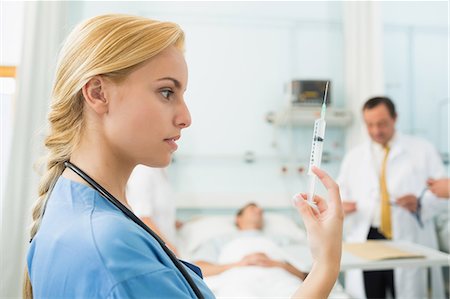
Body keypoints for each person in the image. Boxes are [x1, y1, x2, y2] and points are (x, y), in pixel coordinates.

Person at [24, 14, 344, 299]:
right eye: (167, 92)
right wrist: (326, 265)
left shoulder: (71, 209)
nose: (186, 117)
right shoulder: (113, 250)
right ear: (97, 93)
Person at [337, 96, 446, 299]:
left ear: (394, 118)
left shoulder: (422, 150)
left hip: (407, 235)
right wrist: (341, 207)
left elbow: (442, 193)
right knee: (371, 293)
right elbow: (341, 194)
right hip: (367, 237)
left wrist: (420, 203)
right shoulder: (354, 157)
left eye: (382, 124)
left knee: (406, 291)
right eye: (369, 125)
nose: (376, 131)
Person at [194, 203, 307, 280]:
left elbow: (305, 275)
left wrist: (276, 264)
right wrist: (239, 264)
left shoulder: (282, 239)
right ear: (238, 218)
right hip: (235, 280)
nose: (259, 211)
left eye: (261, 211)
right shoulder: (219, 240)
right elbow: (199, 271)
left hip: (279, 279)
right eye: (253, 208)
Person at [127, 165, 179, 254]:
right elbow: (142, 219)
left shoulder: (161, 170)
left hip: (169, 248)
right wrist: (172, 252)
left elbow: (161, 215)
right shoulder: (143, 172)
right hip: (160, 252)